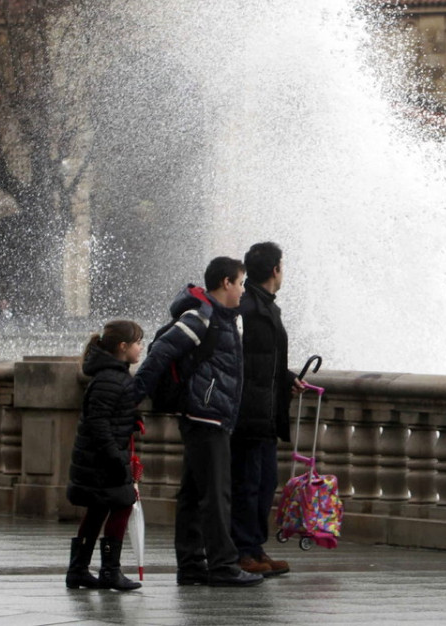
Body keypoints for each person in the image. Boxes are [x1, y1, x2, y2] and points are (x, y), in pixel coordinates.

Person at [133, 256, 264, 587]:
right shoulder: (200, 317)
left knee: (193, 493)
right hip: (205, 416)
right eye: (240, 283)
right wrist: (132, 395)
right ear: (225, 283)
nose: (242, 291)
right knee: (217, 494)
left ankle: (191, 564)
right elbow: (160, 352)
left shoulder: (221, 318)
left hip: (207, 416)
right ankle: (222, 564)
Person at [231, 242, 302, 577]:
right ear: (276, 270)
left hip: (264, 412)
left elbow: (261, 359)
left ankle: (254, 547)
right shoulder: (248, 308)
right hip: (249, 413)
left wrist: (285, 377)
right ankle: (242, 551)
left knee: (262, 483)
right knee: (247, 483)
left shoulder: (263, 307)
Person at [65, 319, 145, 592]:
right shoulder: (112, 379)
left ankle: (78, 570)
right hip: (103, 461)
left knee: (98, 509)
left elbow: (107, 418)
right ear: (123, 347)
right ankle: (110, 571)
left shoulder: (111, 375)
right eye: (137, 343)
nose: (141, 348)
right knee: (122, 505)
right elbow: (98, 424)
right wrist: (117, 458)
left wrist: (131, 420)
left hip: (98, 460)